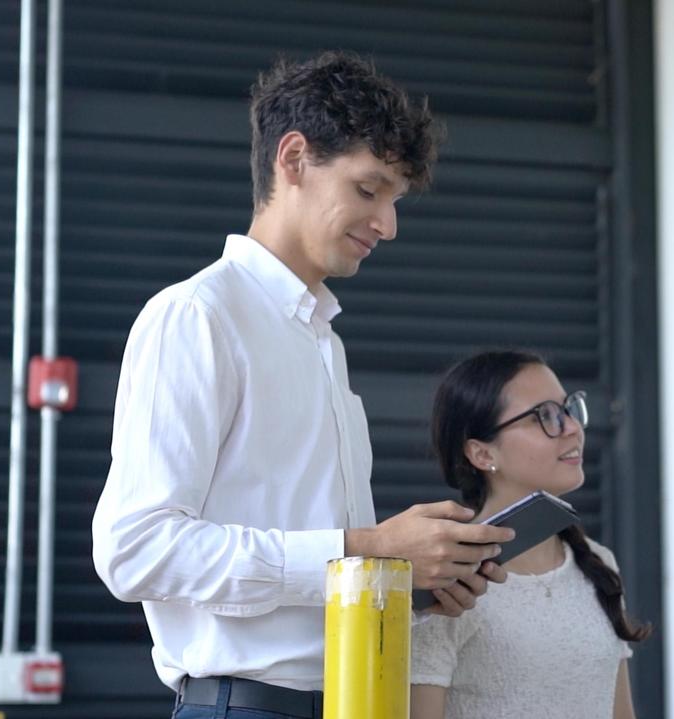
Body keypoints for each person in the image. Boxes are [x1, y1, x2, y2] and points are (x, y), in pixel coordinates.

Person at [91, 51, 514, 719]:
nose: (388, 225)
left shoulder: (323, 343)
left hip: (348, 700)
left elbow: (314, 583)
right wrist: (366, 548)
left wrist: (409, 581)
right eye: (368, 190)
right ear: (293, 160)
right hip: (243, 706)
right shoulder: (199, 316)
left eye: (395, 201)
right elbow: (134, 550)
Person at [410, 350, 652, 719]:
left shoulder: (598, 562)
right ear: (481, 453)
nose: (573, 428)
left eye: (569, 409)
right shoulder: (450, 581)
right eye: (546, 416)